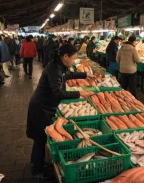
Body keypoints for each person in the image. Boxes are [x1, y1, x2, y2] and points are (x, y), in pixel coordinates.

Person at [26, 44, 94, 180]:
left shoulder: (59, 66)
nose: (74, 61)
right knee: (41, 137)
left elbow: (69, 75)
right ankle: (36, 171)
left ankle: (36, 163)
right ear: (65, 56)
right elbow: (58, 93)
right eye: (73, 58)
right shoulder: (54, 69)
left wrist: (86, 75)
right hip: (41, 107)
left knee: (40, 137)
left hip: (44, 105)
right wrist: (79, 93)